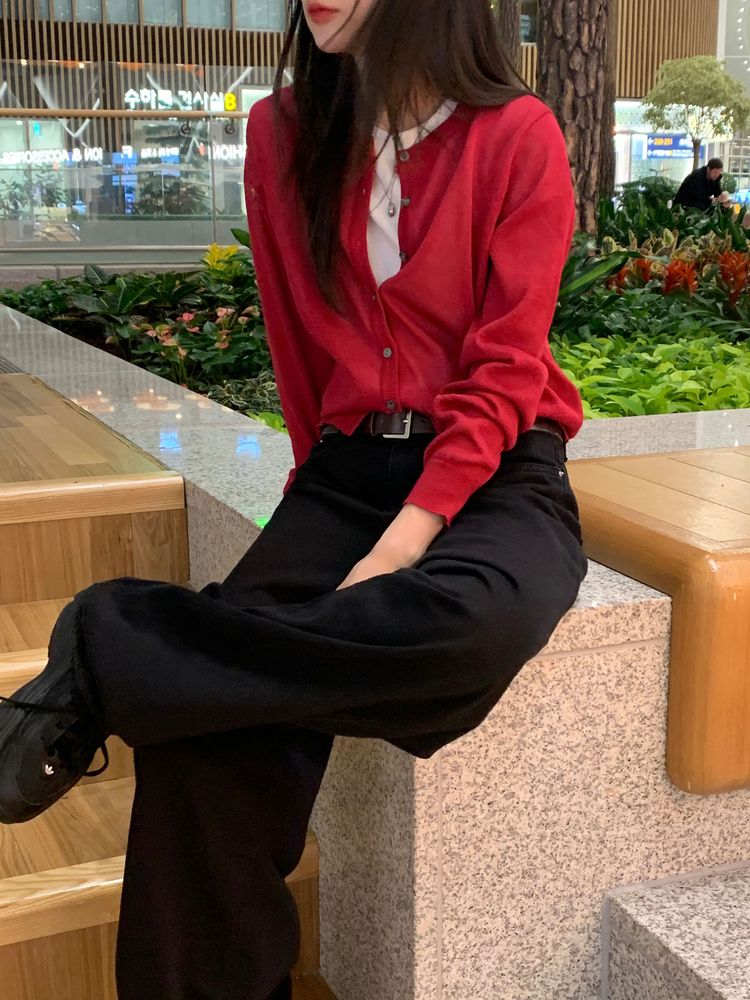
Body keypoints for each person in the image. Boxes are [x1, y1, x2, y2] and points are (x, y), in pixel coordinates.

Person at [0, 2, 588, 998]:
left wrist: (400, 544)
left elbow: (505, 368)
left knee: (475, 628)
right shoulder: (281, 133)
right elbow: (296, 343)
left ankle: (115, 644)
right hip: (347, 469)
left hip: (499, 465)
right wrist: (311, 508)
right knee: (203, 739)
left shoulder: (517, 134)